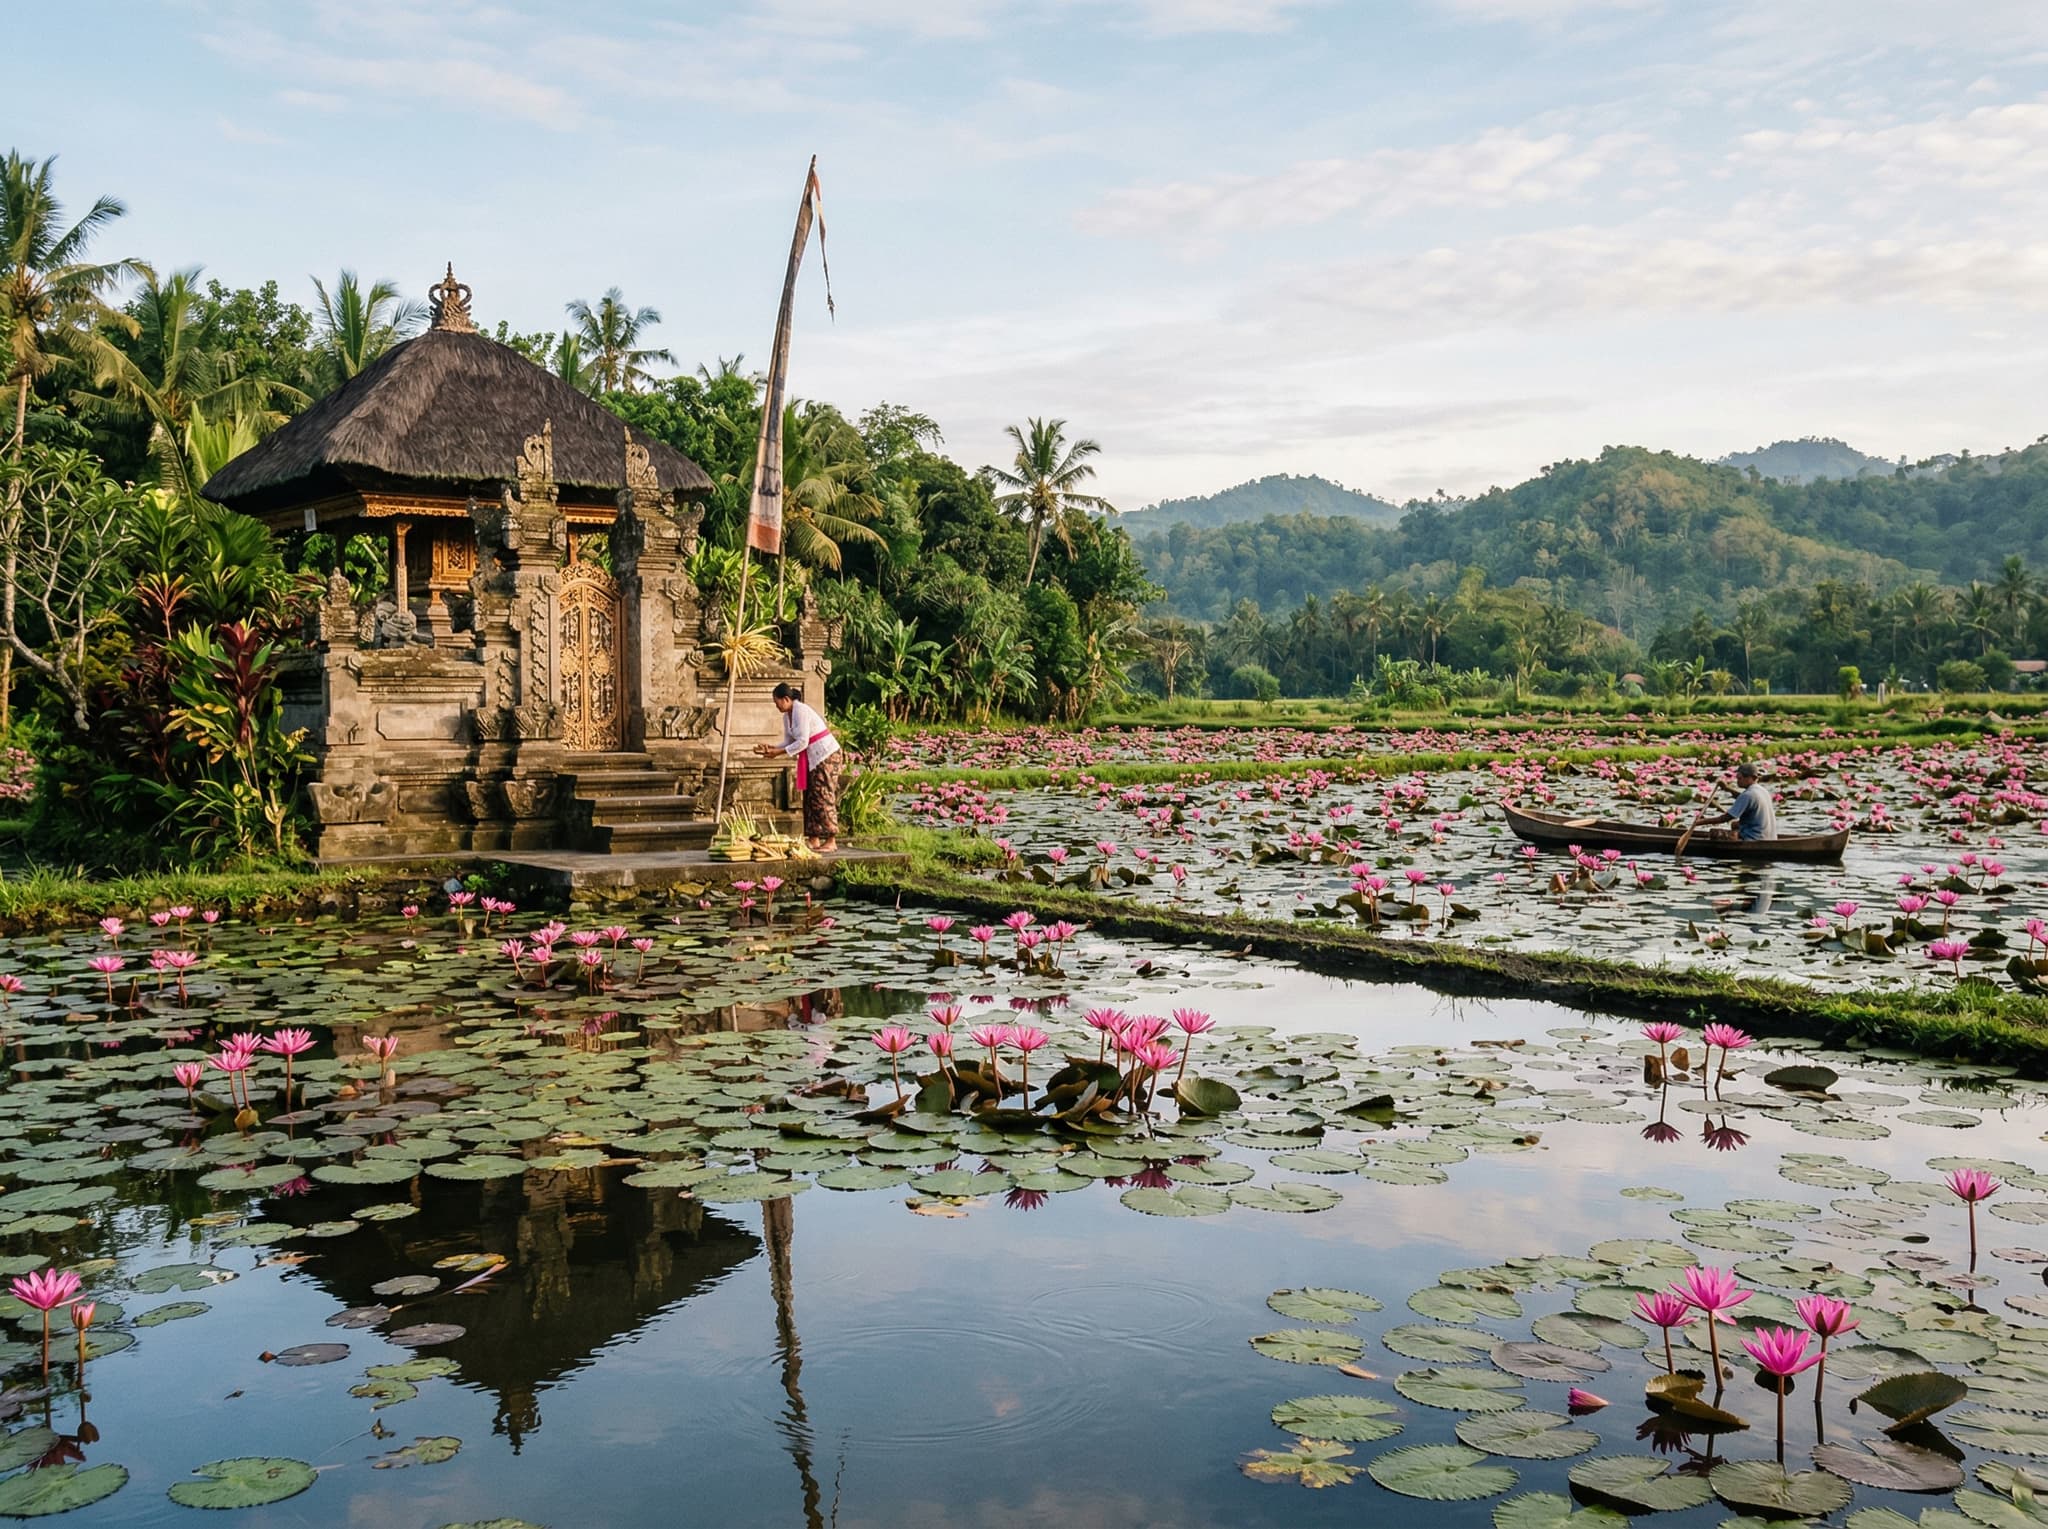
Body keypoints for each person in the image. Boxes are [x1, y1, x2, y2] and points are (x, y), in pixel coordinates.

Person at [754, 682, 840, 852]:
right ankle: (813, 837)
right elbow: (789, 741)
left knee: (823, 794)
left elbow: (802, 741)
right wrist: (772, 748)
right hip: (811, 758)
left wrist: (778, 753)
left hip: (825, 755)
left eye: (776, 701)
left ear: (786, 699)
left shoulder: (800, 710)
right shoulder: (787, 716)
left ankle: (831, 839)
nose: (776, 705)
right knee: (810, 797)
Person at [1707, 760, 1777, 841]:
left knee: (1714, 833)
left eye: (1740, 778)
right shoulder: (1762, 790)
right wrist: (1727, 788)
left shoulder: (1748, 795)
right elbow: (1744, 798)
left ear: (1751, 778)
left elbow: (1725, 818)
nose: (1737, 781)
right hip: (1769, 838)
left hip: (1754, 838)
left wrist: (1699, 822)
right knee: (1735, 825)